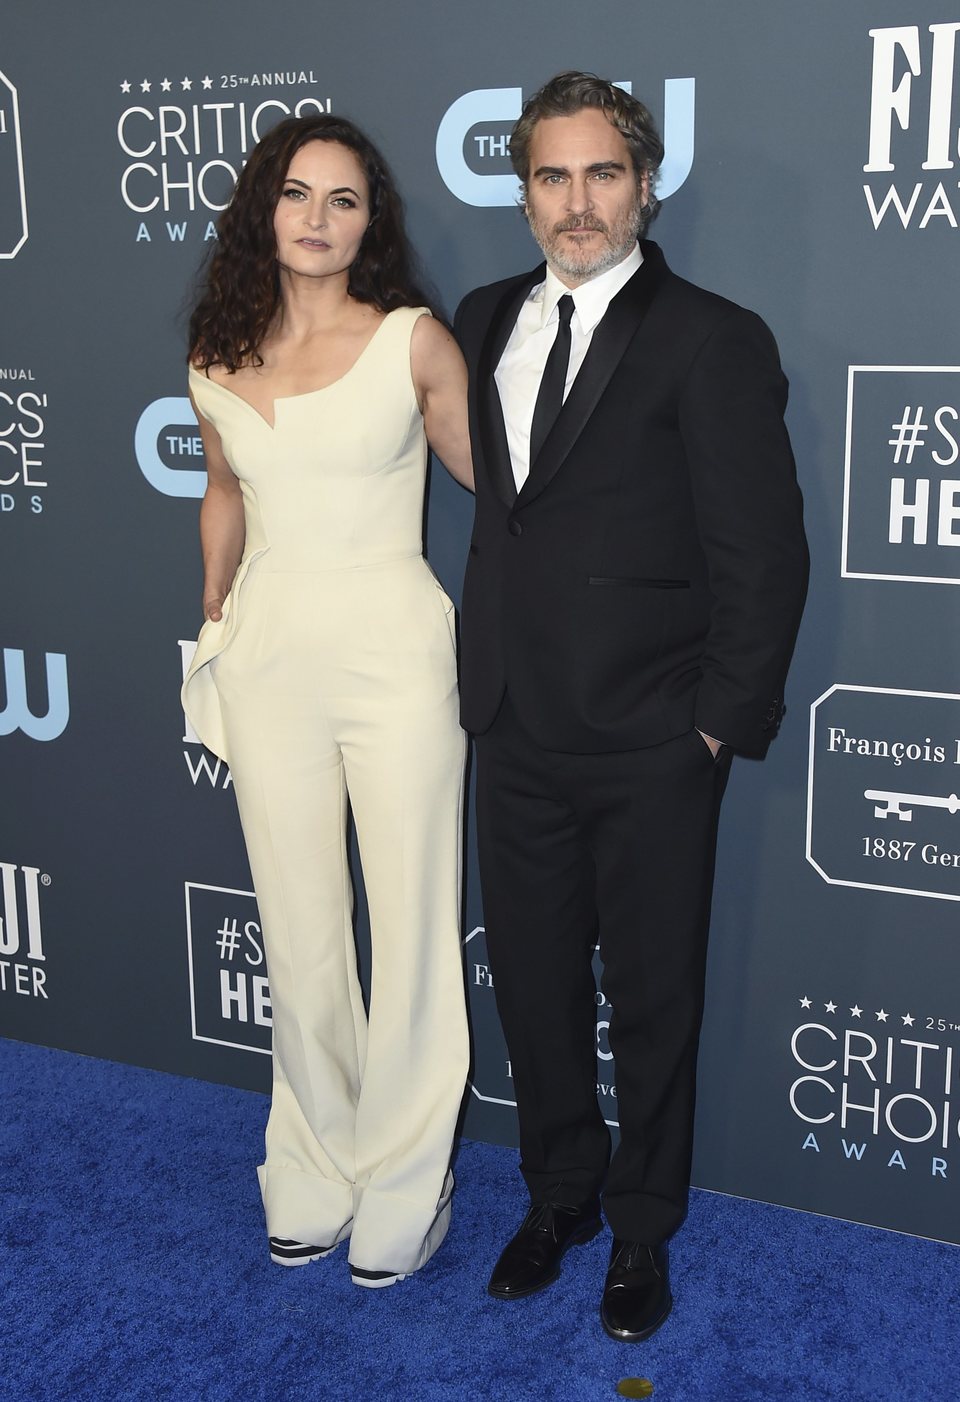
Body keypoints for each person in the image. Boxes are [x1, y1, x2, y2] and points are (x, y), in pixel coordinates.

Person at [454, 72, 808, 1341]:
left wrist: (715, 724)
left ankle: (643, 1225)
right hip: (514, 725)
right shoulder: (485, 314)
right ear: (524, 190)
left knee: (654, 997)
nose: (577, 202)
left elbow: (764, 556)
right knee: (536, 988)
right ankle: (559, 1196)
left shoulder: (715, 335)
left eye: (603, 173)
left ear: (646, 184)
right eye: (552, 176)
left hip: (656, 738)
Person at [181, 113, 473, 1288]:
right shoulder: (214, 350)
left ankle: (408, 1176)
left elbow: (497, 488)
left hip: (397, 648)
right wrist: (215, 619)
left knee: (407, 927)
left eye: (342, 200)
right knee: (299, 932)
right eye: (296, 194)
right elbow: (220, 493)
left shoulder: (413, 342)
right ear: (263, 207)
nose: (315, 218)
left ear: (371, 221)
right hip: (270, 653)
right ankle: (312, 1162)